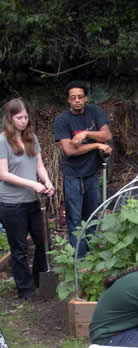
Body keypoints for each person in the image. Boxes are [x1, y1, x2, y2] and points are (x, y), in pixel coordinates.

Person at [0, 98, 55, 299]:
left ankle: (40, 281)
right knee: (19, 248)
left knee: (43, 242)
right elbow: (3, 174)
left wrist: (47, 181)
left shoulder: (31, 138)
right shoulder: (2, 141)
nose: (24, 121)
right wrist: (32, 184)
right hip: (11, 203)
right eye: (19, 117)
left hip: (32, 201)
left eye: (25, 117)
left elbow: (39, 166)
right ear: (10, 118)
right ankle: (26, 290)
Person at [53, 81, 112, 257]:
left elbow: (106, 135)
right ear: (68, 100)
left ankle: (92, 256)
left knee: (92, 216)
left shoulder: (95, 112)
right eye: (73, 98)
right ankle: (79, 259)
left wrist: (85, 134)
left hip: (92, 174)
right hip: (73, 176)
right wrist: (96, 146)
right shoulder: (62, 120)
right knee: (74, 218)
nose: (77, 100)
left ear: (85, 98)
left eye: (80, 97)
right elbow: (70, 150)